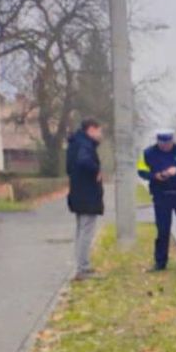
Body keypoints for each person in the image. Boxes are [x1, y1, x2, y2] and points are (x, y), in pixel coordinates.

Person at [137, 130, 176, 272]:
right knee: (162, 230)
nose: (165, 146)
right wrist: (155, 176)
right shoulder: (148, 153)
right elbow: (141, 171)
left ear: (172, 141)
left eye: (168, 143)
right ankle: (160, 262)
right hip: (161, 195)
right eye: (162, 143)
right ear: (158, 141)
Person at [66, 119, 104, 281]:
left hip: (78, 192)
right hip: (87, 194)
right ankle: (83, 269)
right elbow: (84, 161)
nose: (100, 134)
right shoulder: (85, 145)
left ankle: (82, 266)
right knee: (86, 232)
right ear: (91, 129)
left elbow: (69, 168)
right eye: (99, 130)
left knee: (81, 231)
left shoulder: (75, 143)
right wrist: (97, 170)